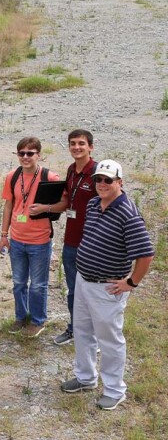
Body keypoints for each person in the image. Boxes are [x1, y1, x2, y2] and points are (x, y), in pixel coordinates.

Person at [60, 160, 154, 411]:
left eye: (108, 180)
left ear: (120, 182)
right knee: (82, 330)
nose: (101, 184)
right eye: (98, 179)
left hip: (107, 288)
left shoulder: (128, 213)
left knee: (109, 339)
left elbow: (145, 254)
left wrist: (131, 282)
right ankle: (85, 377)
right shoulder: (93, 204)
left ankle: (114, 390)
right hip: (84, 279)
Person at [30, 130, 97, 346]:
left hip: (93, 243)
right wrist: (46, 208)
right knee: (74, 289)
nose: (77, 147)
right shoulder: (71, 170)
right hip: (71, 241)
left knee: (93, 291)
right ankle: (75, 329)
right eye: (73, 144)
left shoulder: (97, 172)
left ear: (90, 147)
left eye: (81, 144)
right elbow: (66, 202)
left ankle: (94, 335)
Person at [0, 137, 60, 338]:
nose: (25, 157)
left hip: (40, 241)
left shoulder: (49, 177)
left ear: (39, 155)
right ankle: (20, 317)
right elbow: (8, 205)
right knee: (18, 283)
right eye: (21, 153)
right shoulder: (12, 176)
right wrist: (4, 235)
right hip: (16, 240)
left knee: (38, 285)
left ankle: (38, 320)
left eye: (30, 153)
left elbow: (64, 203)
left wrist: (46, 208)